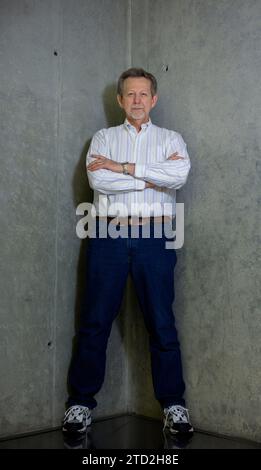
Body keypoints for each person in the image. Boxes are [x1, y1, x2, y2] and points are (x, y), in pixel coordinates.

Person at [62, 68, 193, 437]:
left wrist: (123, 167)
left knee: (162, 325)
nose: (136, 100)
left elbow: (178, 176)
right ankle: (80, 405)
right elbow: (97, 180)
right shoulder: (102, 137)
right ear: (120, 100)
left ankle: (173, 406)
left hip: (158, 236)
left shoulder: (172, 138)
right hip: (107, 234)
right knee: (94, 322)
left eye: (143, 94)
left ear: (154, 99)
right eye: (129, 94)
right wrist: (153, 175)